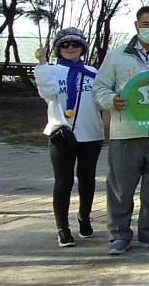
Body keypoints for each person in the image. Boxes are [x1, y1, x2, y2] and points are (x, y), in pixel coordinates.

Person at [92, 5, 149, 255]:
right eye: (146, 24)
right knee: (121, 187)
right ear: (136, 26)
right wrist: (111, 100)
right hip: (126, 131)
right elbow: (99, 87)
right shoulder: (116, 56)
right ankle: (119, 235)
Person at [35, 27, 102, 248]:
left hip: (91, 133)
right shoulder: (52, 71)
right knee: (63, 182)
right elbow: (47, 92)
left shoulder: (93, 71)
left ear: (83, 47)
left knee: (87, 178)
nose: (70, 48)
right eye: (65, 45)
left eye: (75, 44)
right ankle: (62, 228)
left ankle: (84, 216)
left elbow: (103, 98)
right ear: (58, 49)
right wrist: (42, 63)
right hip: (61, 135)